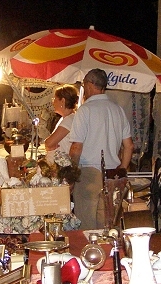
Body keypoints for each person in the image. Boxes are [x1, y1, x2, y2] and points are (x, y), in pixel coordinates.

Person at [69, 69, 134, 229]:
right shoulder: (118, 110)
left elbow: (76, 147)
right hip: (112, 175)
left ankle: (90, 253)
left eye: (84, 85)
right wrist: (122, 170)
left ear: (90, 85)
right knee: (108, 224)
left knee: (87, 224)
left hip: (89, 174)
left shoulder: (85, 110)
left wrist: (71, 173)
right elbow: (129, 146)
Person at [44, 84, 79, 165]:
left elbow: (49, 143)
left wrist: (50, 145)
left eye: (55, 99)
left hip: (62, 166)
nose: (53, 102)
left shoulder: (69, 120)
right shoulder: (64, 119)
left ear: (62, 101)